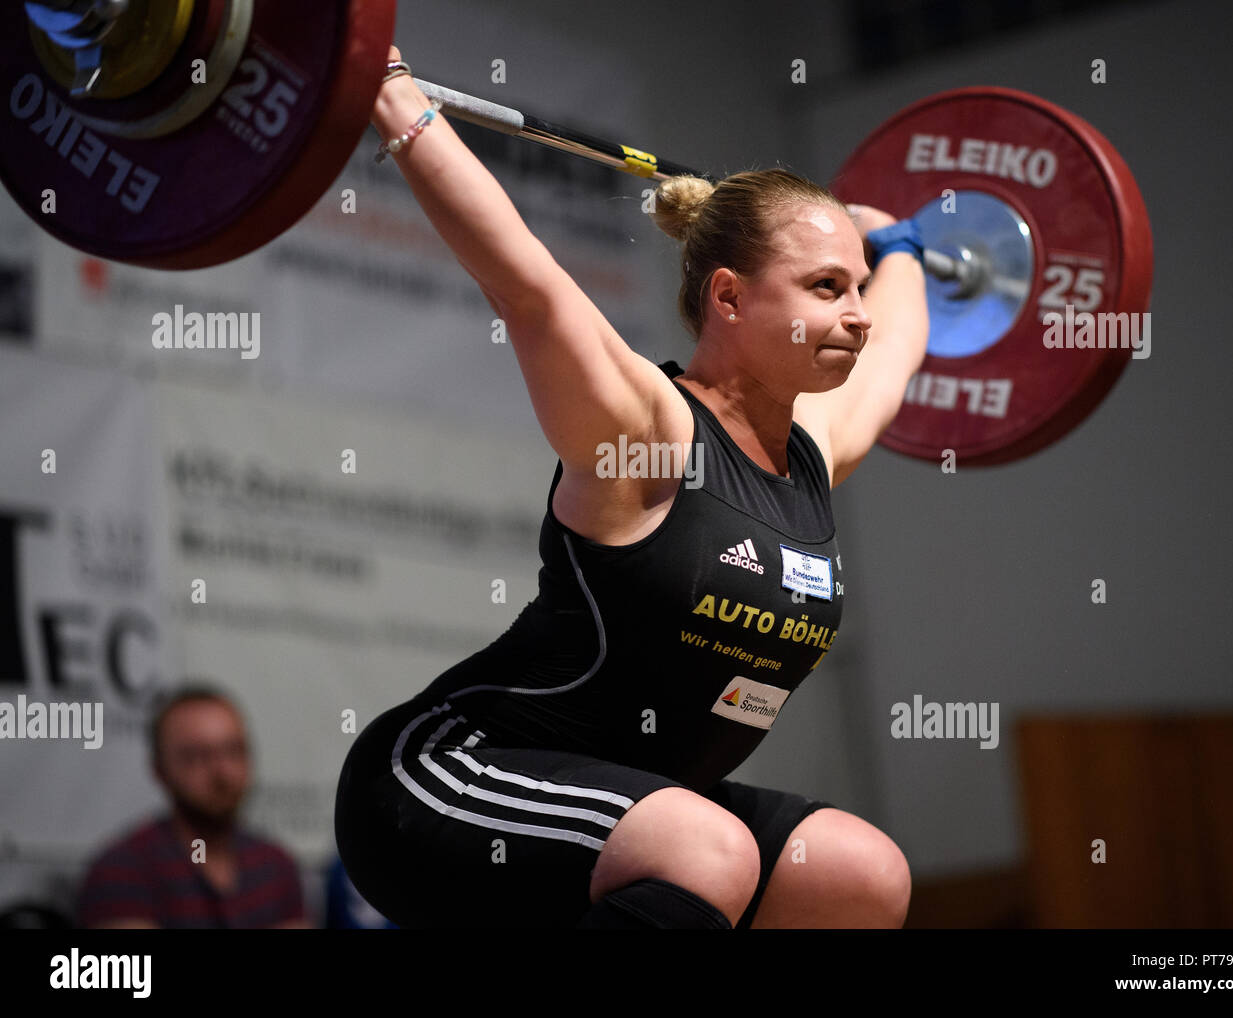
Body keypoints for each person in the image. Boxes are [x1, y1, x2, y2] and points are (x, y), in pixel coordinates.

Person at [334, 47, 929, 930]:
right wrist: (385, 92)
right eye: (825, 286)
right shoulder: (650, 434)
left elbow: (895, 353)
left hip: (637, 806)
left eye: (856, 286)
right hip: (446, 780)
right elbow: (526, 286)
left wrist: (908, 248)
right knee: (705, 850)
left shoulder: (808, 448)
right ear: (728, 299)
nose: (858, 312)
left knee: (861, 874)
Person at [76, 685, 310, 929]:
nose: (222, 772)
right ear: (159, 770)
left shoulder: (275, 866)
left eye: (234, 751)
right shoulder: (122, 871)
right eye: (198, 756)